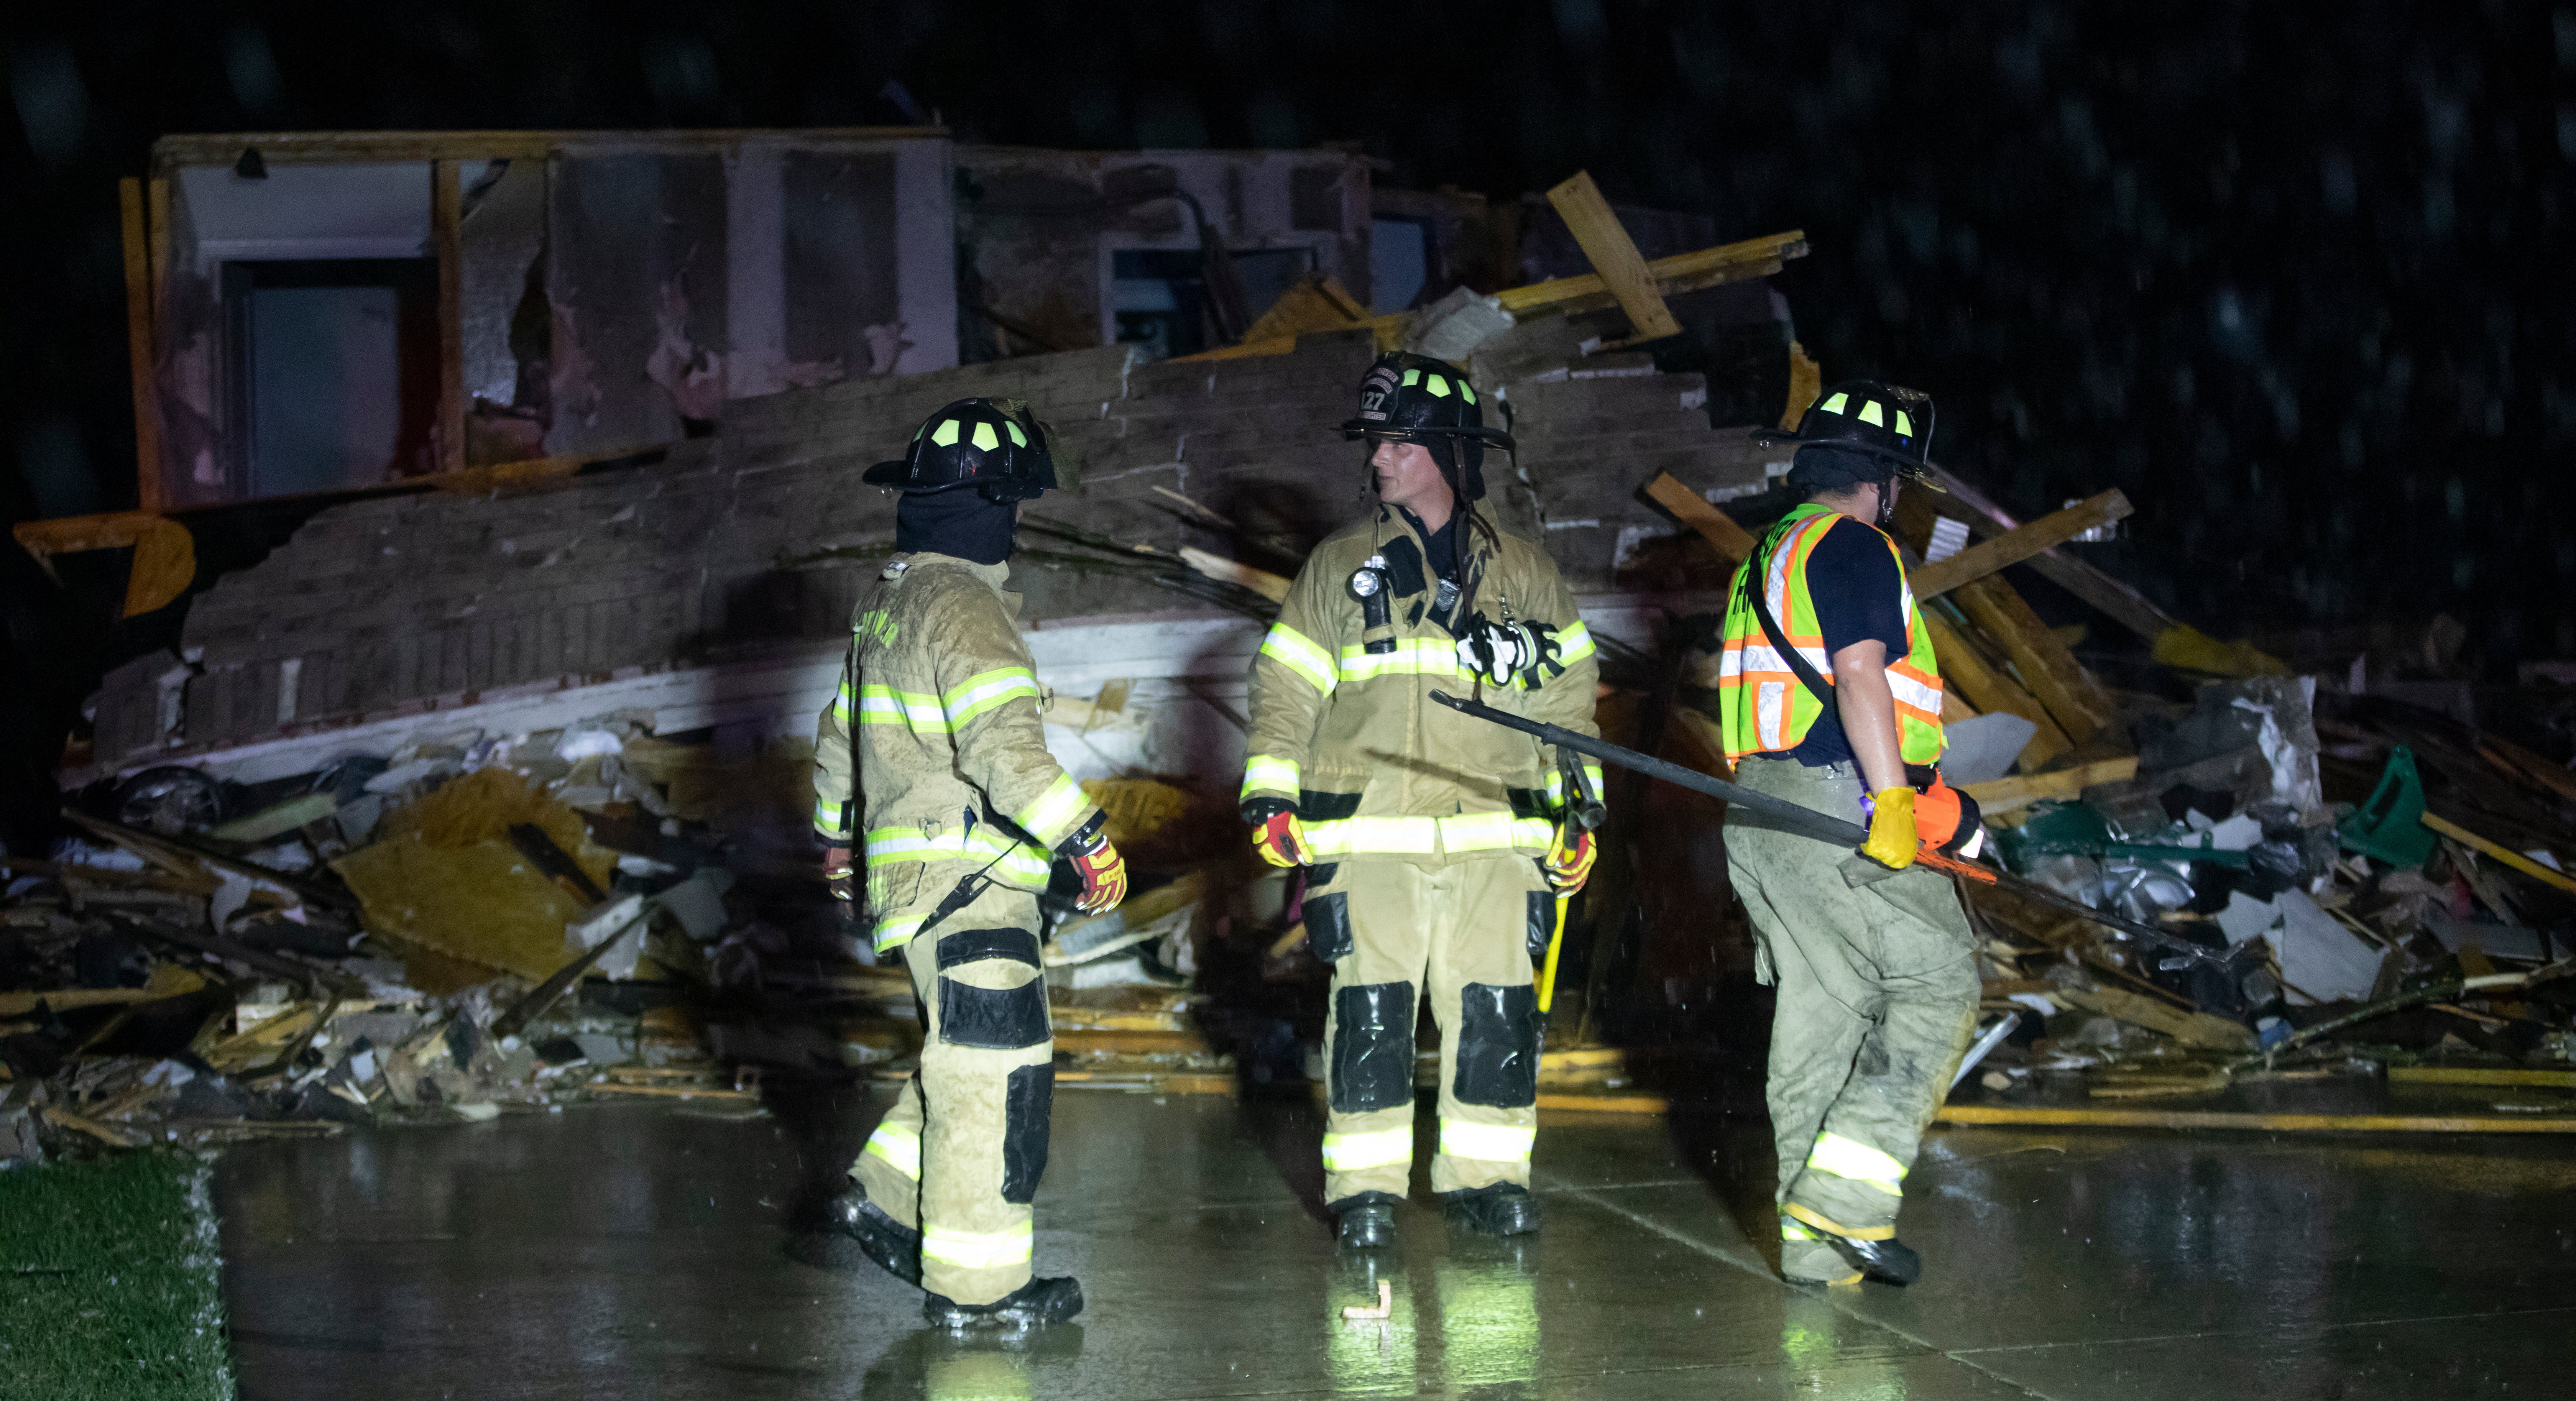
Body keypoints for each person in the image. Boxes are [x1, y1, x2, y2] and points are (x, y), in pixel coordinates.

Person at [1240, 351, 1604, 1249]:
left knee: (1496, 1013)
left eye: (1398, 441)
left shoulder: (1525, 575)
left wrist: (1580, 813)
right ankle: (1365, 1191)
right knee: (1369, 1017)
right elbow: (1285, 690)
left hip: (1497, 834)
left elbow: (1570, 704)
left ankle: (1489, 1180)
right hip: (1368, 838)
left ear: (1446, 448)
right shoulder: (1337, 569)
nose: (1379, 459)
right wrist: (1269, 796)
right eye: (1376, 442)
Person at [810, 397, 1129, 1329]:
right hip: (973, 887)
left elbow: (837, 740)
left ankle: (878, 1189)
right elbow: (1007, 753)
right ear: (1000, 507)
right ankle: (981, 1294)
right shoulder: (966, 607)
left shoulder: (889, 602)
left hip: (917, 890)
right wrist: (1084, 836)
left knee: (963, 1063)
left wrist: (839, 843)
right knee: (998, 1079)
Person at [1716, 379, 1981, 1288]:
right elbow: (1862, 677)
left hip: (1761, 810)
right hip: (1838, 804)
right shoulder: (1858, 546)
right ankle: (1847, 1198)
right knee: (1942, 982)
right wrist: (1895, 800)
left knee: (1819, 1014)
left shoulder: (1771, 555)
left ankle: (1811, 1250)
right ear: (1888, 481)